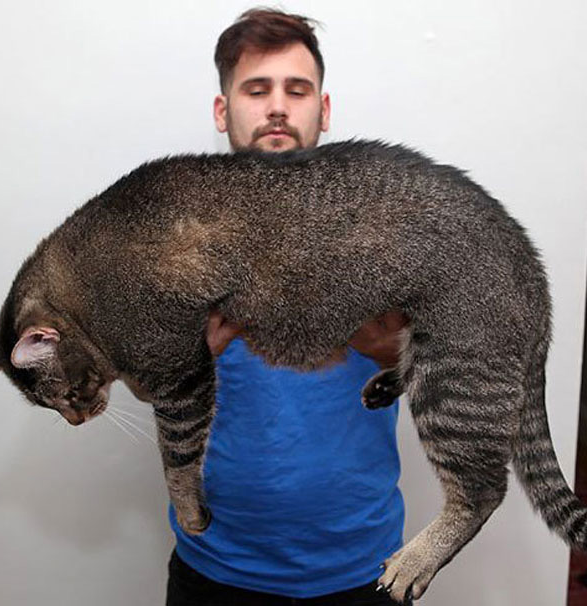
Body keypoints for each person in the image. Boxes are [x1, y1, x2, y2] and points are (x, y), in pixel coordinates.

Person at [166, 9, 407, 605]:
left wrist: (393, 353)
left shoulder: (388, 229)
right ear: (222, 110)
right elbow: (134, 385)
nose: (277, 107)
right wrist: (185, 361)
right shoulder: (175, 241)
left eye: (296, 91)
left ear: (323, 110)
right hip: (216, 568)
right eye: (257, 89)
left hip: (364, 568)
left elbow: (461, 371)